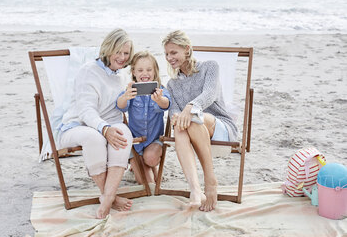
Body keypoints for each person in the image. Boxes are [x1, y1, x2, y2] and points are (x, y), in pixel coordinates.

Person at [58, 28, 134, 219]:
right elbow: (86, 111)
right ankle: (111, 198)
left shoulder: (122, 74)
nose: (123, 57)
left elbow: (120, 108)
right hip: (77, 125)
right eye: (119, 52)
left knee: (123, 134)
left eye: (126, 53)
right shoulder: (88, 71)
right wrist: (105, 128)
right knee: (95, 138)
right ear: (108, 49)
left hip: (109, 125)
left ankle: (107, 198)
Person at [162, 30, 238, 212]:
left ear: (187, 49)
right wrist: (177, 116)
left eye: (173, 52)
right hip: (191, 130)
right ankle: (196, 189)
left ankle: (210, 179)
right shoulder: (172, 85)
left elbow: (209, 94)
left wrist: (190, 107)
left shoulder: (210, 67)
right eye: (166, 54)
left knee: (194, 119)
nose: (169, 58)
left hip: (220, 126)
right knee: (180, 127)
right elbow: (174, 111)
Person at [116, 51, 171, 184]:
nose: (144, 73)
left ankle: (147, 164)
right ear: (134, 72)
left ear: (155, 71)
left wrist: (159, 100)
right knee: (148, 183)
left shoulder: (161, 90)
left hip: (154, 140)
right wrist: (125, 97)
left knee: (151, 158)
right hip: (135, 142)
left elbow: (166, 104)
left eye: (148, 70)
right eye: (140, 70)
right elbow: (120, 106)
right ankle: (137, 164)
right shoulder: (131, 91)